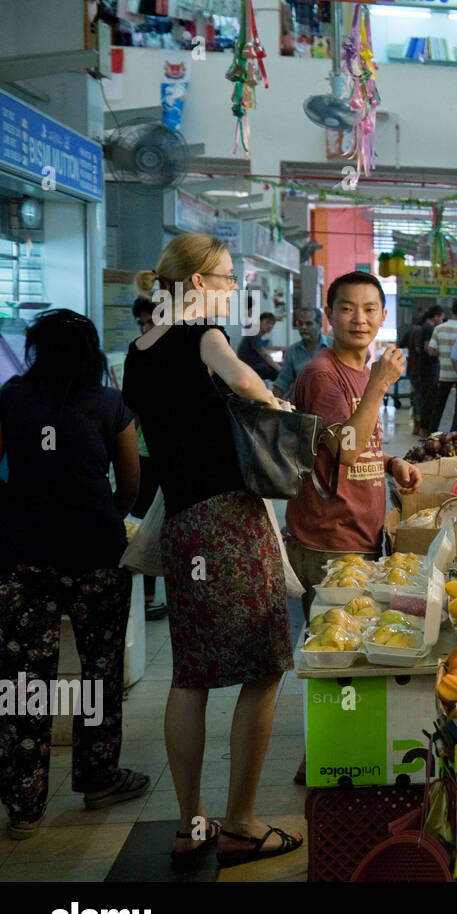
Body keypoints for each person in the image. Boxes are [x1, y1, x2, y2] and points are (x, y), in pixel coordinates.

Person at [122, 233, 302, 869]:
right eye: (226, 278)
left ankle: (190, 823)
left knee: (190, 675)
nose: (232, 290)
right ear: (197, 284)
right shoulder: (204, 338)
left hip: (182, 526)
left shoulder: (137, 352)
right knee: (265, 664)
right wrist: (277, 406)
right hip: (229, 521)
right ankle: (244, 823)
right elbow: (254, 388)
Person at [0, 310, 149, 840]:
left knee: (24, 683)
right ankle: (97, 780)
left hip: (22, 557)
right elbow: (129, 485)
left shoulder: (11, 398)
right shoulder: (111, 405)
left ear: (37, 350)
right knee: (99, 672)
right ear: (90, 354)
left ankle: (25, 806)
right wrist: (100, 512)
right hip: (96, 552)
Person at [285, 271, 423, 622]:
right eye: (347, 309)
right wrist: (378, 385)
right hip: (330, 541)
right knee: (336, 649)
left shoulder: (362, 370)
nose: (360, 319)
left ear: (382, 316)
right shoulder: (322, 374)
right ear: (329, 315)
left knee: (355, 646)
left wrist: (391, 464)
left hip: (360, 536)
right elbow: (346, 451)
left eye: (369, 309)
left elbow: (358, 443)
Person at [131, 296, 167, 622]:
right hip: (145, 455)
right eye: (142, 323)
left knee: (170, 526)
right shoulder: (140, 357)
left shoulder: (180, 356)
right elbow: (134, 412)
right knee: (144, 523)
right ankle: (148, 596)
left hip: (176, 457)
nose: (145, 329)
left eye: (150, 322)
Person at [273, 308, 329, 400]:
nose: (303, 327)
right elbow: (283, 382)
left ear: (319, 324)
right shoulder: (292, 351)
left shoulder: (332, 347)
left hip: (329, 404)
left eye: (308, 323)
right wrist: (271, 403)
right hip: (301, 406)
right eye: (300, 323)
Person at [431, 299, 457, 431]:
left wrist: (442, 354)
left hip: (444, 374)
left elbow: (431, 350)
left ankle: (432, 432)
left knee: (439, 406)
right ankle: (455, 432)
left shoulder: (439, 328)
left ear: (451, 312)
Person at [415, 304, 445, 435]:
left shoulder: (424, 327)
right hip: (429, 370)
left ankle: (423, 427)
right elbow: (428, 348)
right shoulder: (429, 329)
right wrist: (442, 353)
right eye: (442, 318)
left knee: (425, 399)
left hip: (425, 369)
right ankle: (424, 428)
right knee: (428, 401)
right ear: (436, 316)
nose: (442, 321)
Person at [237, 311, 280, 382]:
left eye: (272, 324)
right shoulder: (253, 334)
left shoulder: (257, 335)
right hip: (250, 369)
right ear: (259, 322)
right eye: (268, 322)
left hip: (254, 367)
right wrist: (280, 369)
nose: (270, 326)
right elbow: (265, 356)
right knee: (282, 375)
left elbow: (264, 352)